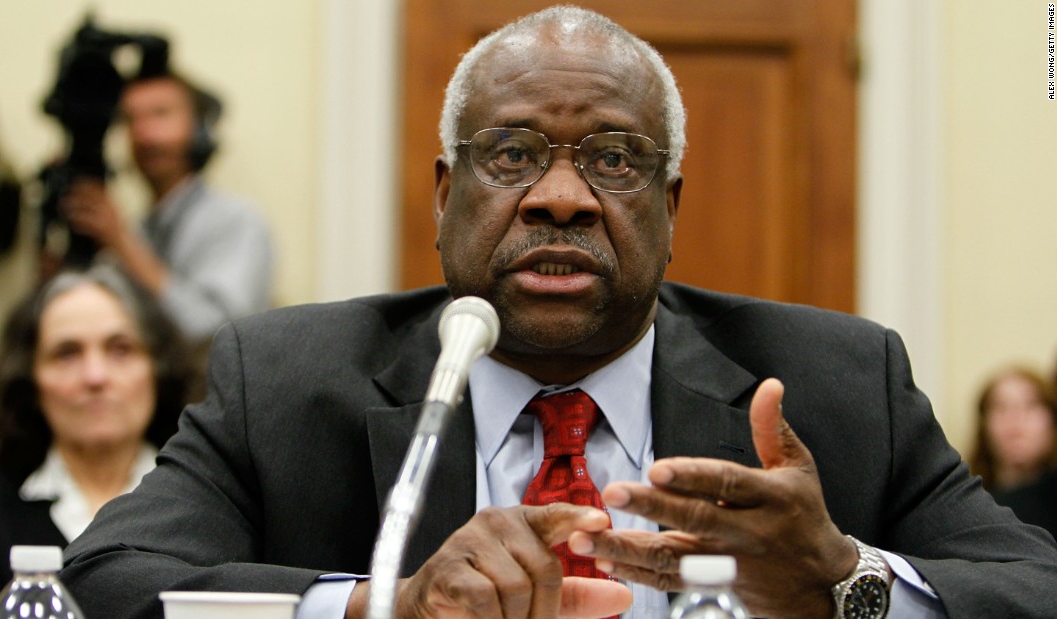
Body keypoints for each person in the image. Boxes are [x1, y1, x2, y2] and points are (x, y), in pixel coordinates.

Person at [61, 6, 1057, 619]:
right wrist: (381, 605)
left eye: (615, 160)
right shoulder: (286, 379)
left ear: (668, 211)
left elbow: (1032, 586)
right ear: (444, 195)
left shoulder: (835, 384)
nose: (561, 197)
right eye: (511, 155)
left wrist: (842, 583)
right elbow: (101, 578)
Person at [0, 265, 194, 618]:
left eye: (121, 349)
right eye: (67, 353)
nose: (95, 377)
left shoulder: (204, 504)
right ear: (30, 379)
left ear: (158, 370)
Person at [57, 71, 273, 347]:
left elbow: (214, 330)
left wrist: (122, 243)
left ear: (200, 130)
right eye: (130, 119)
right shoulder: (134, 231)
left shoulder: (238, 221)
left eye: (160, 114)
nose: (143, 133)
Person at [968, 366, 1057, 539]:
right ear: (984, 425)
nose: (1015, 418)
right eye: (1000, 407)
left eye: (1031, 405)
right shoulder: (965, 504)